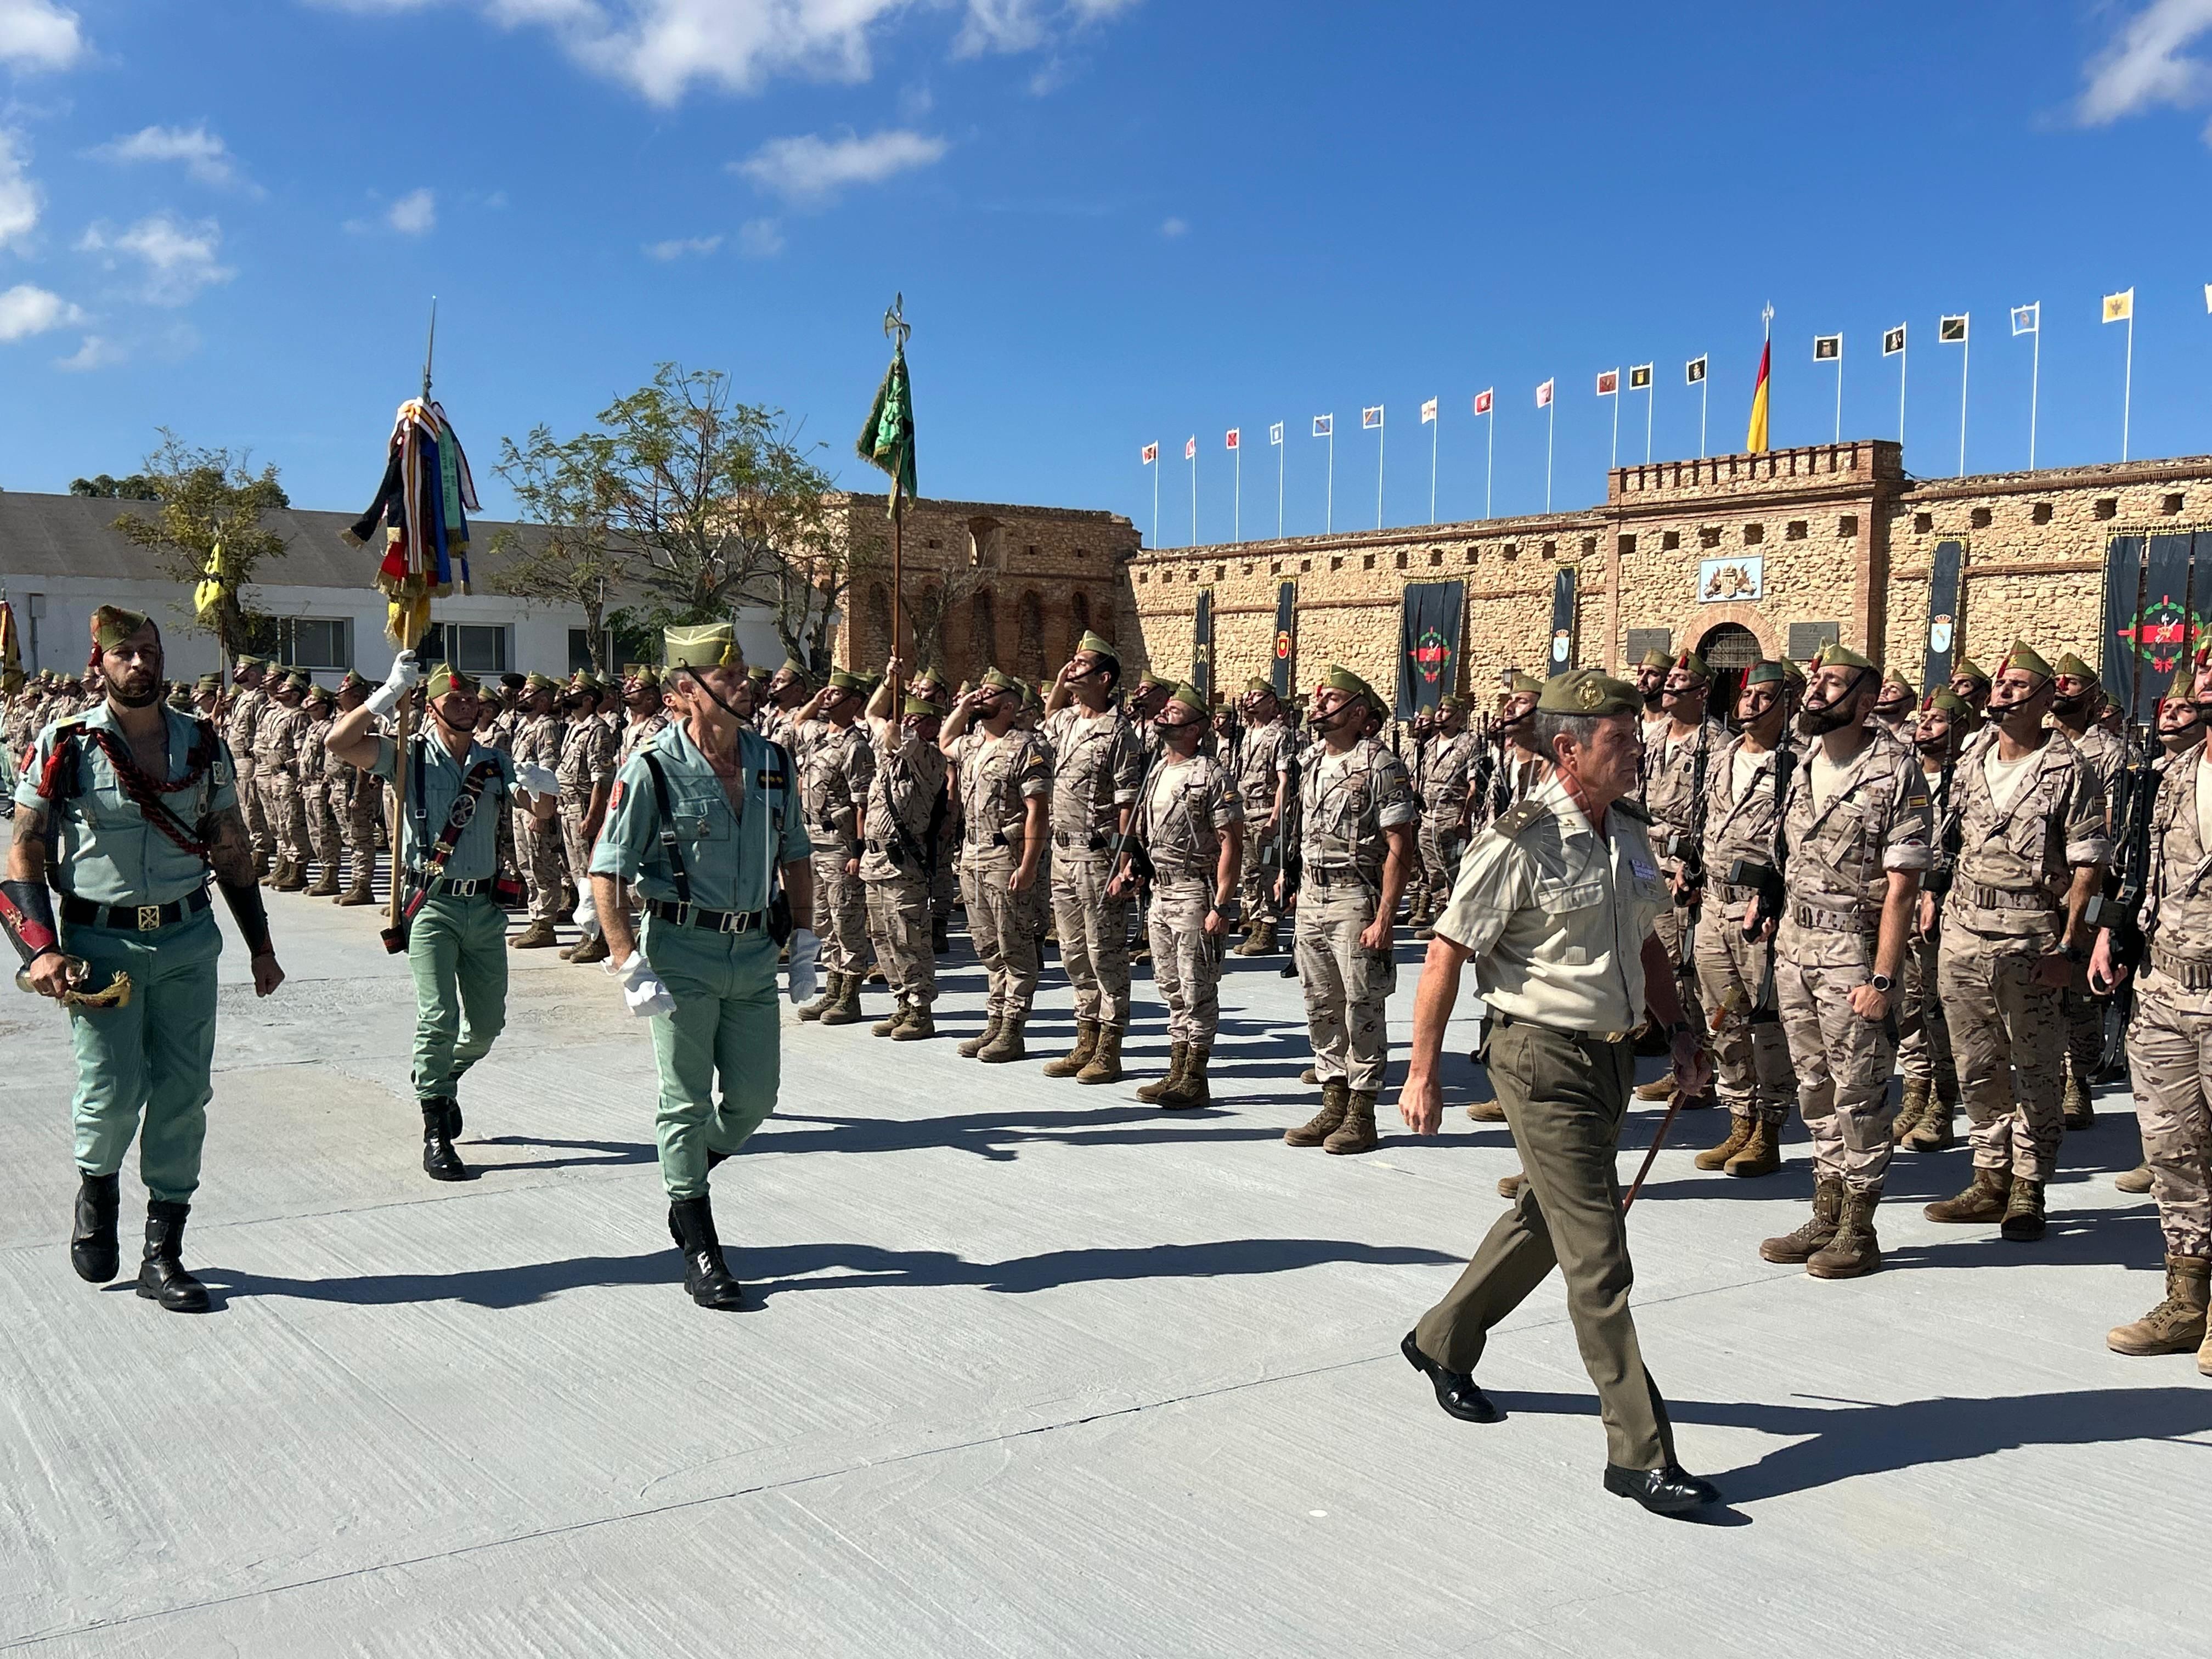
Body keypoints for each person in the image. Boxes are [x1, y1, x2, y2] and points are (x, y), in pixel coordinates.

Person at [1396, 667, 1720, 1516]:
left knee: (1548, 1216)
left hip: (1612, 1059)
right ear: (1568, 750)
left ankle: (1442, 1339)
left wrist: (1680, 1032)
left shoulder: (1630, 831)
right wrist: (1423, 1072)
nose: (1637, 750)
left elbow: (1646, 943)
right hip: (1540, 1058)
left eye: (1636, 735)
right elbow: (1445, 954)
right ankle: (1639, 1454)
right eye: (1620, 740)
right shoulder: (1519, 840)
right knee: (1599, 1258)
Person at [5, 607, 285, 1313]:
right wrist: (40, 949)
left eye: (150, 651)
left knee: (184, 1095)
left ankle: (164, 1253)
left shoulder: (202, 743)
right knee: (112, 1090)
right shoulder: (66, 744)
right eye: (124, 653)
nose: (140, 663)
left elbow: (228, 843)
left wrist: (260, 945)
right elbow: (25, 847)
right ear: (99, 663)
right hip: (100, 946)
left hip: (187, 941)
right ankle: (97, 1192)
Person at [589, 623, 816, 1311]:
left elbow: (795, 853)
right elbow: (607, 869)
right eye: (728, 677)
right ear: (687, 691)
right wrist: (626, 960)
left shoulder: (772, 762)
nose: (745, 684)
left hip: (752, 953)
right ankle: (699, 1241)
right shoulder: (652, 768)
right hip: (680, 952)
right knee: (684, 1100)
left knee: (755, 1100)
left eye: (744, 673)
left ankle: (686, 1172)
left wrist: (805, 939)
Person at [327, 656, 561, 1182]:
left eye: (472, 698)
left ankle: (440, 1078)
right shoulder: (406, 755)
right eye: (454, 699)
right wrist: (387, 694)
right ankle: (435, 1129)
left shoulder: (495, 761)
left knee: (487, 1026)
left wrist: (544, 787)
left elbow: (540, 812)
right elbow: (339, 742)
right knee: (439, 1017)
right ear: (430, 706)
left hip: (484, 909)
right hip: (431, 905)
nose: (467, 705)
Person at [1926, 644, 2110, 1242]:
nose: (2001, 695)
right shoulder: (1972, 758)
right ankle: (1989, 1176)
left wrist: (2069, 947)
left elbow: (2088, 864)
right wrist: (1932, 896)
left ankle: (2029, 1185)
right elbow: (1949, 840)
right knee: (1976, 1062)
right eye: (2000, 687)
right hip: (1963, 931)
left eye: (2015, 688)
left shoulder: (2067, 768)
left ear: (2044, 699)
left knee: (2034, 1065)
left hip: (2030, 935)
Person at [1757, 645, 1930, 1277]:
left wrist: (1883, 979)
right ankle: (1826, 1213)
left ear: (1864, 700)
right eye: (1816, 679)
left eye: (1832, 682)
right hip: (1795, 950)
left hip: (1853, 955)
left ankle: (1860, 1227)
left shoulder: (1894, 771)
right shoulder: (1802, 762)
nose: (1816, 690)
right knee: (1815, 1088)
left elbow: (1903, 888)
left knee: (1859, 1094)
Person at [2092, 661, 2212, 1366]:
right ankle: (2187, 1300)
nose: (2206, 678)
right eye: (2204, 666)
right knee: (2173, 1153)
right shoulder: (2169, 776)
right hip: (2164, 991)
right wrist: (2112, 934)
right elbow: (2140, 874)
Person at [1282, 666, 1418, 1156]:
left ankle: (1362, 1113)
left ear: (1359, 713)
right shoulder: (1312, 761)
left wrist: (1386, 917)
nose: (1319, 705)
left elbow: (1400, 845)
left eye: (1331, 699)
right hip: (1312, 896)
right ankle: (1332, 1101)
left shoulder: (1380, 764)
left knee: (1362, 1004)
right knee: (1320, 1003)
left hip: (1355, 898)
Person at [1690, 660, 1799, 1180]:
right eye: (1746, 694)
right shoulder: (1721, 756)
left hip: (1761, 911)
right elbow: (1704, 821)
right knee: (1721, 1018)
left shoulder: (1796, 764)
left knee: (1767, 1022)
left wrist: (1778, 900)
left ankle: (1769, 1129)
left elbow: (1800, 845)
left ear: (1787, 703)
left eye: (1764, 696)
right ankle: (1740, 1118)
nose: (1751, 703)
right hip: (1714, 905)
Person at [1120, 681, 1244, 1108]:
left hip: (1195, 890)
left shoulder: (1211, 774)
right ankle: (1176, 1069)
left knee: (1197, 986)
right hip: (1161, 890)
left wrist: (1222, 904)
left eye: (1175, 710)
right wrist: (1135, 870)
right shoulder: (1157, 770)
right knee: (1171, 985)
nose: (1164, 713)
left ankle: (1195, 1076)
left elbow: (1231, 843)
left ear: (1195, 728)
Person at [1040, 631, 1144, 1082]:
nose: (1072, 667)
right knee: (1073, 953)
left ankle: (1109, 1048)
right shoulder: (1065, 721)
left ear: (1104, 678)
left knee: (1106, 953)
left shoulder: (1119, 732)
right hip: (1062, 853)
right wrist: (1063, 679)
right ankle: (1085, 1038)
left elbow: (1127, 804)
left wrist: (1125, 862)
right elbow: (1046, 719)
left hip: (1098, 855)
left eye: (1081, 664)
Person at [940, 668, 1051, 1062]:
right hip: (972, 856)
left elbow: (1038, 810)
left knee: (1014, 945)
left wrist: (1029, 865)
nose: (979, 696)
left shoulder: (1026, 747)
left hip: (1005, 857)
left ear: (1008, 706)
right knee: (988, 946)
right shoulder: (972, 744)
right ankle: (995, 1021)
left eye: (988, 694)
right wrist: (963, 707)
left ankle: (1013, 1029)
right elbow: (945, 742)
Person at [1635, 650, 1724, 1102]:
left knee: (1689, 971)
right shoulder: (1655, 739)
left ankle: (1701, 1071)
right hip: (1648, 863)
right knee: (1663, 963)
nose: (1669, 686)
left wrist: (1696, 869)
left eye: (1679, 681)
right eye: (1668, 679)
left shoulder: (1716, 745)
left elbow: (1719, 818)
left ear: (1702, 693)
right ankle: (1682, 1062)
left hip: (1686, 870)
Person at [2050, 650, 2130, 1131]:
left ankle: (2077, 1080)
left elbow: (2116, 824)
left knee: (2080, 990)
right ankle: (2046, 1078)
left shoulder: (2111, 752)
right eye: (2057, 683)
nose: (2062, 690)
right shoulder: (2040, 745)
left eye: (2073, 684)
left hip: (2089, 880)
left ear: (2094, 698)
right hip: (2042, 885)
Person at [1892, 690, 1971, 1150]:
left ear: (1961, 728)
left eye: (1938, 720)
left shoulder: (1966, 780)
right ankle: (1915, 1095)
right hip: (1901, 905)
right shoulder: (1904, 775)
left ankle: (1943, 1102)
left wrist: (1935, 894)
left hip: (1945, 911)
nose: (1925, 726)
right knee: (1908, 1010)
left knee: (1939, 1011)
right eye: (1923, 718)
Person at [859, 666, 950, 1039]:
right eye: (906, 717)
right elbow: (872, 714)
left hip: (904, 863)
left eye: (916, 719)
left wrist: (898, 718)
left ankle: (921, 1009)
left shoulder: (931, 759)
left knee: (910, 938)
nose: (907, 723)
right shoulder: (888, 757)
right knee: (882, 937)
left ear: (931, 727)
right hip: (874, 861)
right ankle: (902, 1003)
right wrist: (888, 682)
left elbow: (893, 732)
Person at [792, 668, 877, 1025]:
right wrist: (818, 698)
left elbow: (862, 804)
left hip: (840, 845)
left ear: (855, 703)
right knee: (823, 920)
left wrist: (858, 852)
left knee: (847, 921)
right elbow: (798, 722)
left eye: (836, 695)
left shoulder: (856, 746)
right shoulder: (818, 737)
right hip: (812, 840)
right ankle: (832, 990)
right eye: (827, 693)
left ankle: (850, 997)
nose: (828, 699)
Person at [555, 672, 618, 966]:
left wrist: (593, 815)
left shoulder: (598, 730)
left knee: (592, 875)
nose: (568, 694)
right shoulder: (573, 728)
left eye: (576, 690)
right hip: (566, 808)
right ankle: (588, 933)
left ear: (589, 699)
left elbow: (601, 779)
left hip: (582, 808)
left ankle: (601, 938)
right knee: (579, 876)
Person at [1232, 678, 1295, 956]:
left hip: (1266, 812)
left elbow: (1284, 781)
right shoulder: (1247, 733)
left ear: (1271, 703)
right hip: (1245, 812)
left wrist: (1276, 819)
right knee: (1250, 874)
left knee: (1268, 874)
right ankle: (1256, 924)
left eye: (1257, 695)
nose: (1250, 700)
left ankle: (1269, 930)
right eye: (1249, 695)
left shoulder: (1279, 734)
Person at [1414, 696, 1479, 944]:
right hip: (1427, 817)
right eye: (1439, 710)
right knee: (1434, 874)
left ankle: (1460, 926)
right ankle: (1441, 921)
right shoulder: (1430, 745)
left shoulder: (1469, 743)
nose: (1440, 714)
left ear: (1459, 716)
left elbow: (1474, 786)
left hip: (1452, 816)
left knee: (1456, 872)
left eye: (1446, 711)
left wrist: (1465, 819)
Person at [509, 673, 566, 949]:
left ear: (543, 701)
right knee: (526, 864)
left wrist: (540, 813)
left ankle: (545, 924)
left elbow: (548, 773)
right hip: (520, 804)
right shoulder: (523, 725)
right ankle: (536, 920)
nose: (521, 695)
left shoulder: (547, 726)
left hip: (536, 806)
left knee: (542, 864)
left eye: (528, 691)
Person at [254, 670, 314, 892]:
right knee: (278, 823)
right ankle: (284, 865)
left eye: (285, 688)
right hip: (274, 775)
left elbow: (301, 751)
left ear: (296, 695)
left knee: (293, 824)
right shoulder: (279, 713)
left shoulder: (298, 716)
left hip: (289, 776)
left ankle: (298, 871)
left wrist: (294, 774)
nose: (280, 689)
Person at [331, 670, 383, 906]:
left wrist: (360, 791)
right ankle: (355, 884)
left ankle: (363, 886)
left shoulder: (364, 720)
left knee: (360, 837)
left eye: (343, 692)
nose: (338, 695)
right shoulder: (345, 718)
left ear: (356, 695)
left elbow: (365, 761)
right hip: (339, 786)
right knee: (349, 837)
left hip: (354, 785)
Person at [224, 656, 274, 877]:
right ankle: (252, 849)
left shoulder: (259, 698)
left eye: (241, 669)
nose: (236, 672)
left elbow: (261, 731)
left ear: (253, 674)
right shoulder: (243, 698)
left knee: (253, 810)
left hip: (249, 760)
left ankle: (261, 855)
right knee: (244, 810)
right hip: (236, 760)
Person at [298, 683, 342, 896]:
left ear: (323, 707)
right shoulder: (312, 728)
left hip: (321, 787)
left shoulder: (328, 728)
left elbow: (330, 760)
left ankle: (331, 876)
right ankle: (324, 873)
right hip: (309, 786)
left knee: (326, 833)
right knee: (315, 832)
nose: (308, 706)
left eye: (313, 703)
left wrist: (327, 785)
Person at [1871, 670, 1917, 735]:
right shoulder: (1859, 729)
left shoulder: (1915, 737)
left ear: (1907, 705)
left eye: (1893, 691)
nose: (1883, 691)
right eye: (1883, 688)